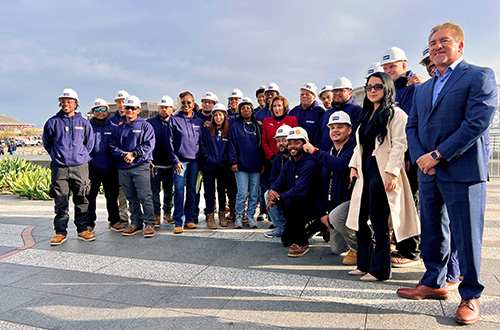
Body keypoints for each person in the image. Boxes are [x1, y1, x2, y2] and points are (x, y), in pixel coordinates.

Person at [400, 22, 497, 325]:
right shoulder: (423, 88)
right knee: (432, 230)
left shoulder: (480, 75)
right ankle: (433, 282)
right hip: (428, 172)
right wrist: (420, 158)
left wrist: (438, 155)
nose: (437, 46)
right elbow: (412, 126)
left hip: (462, 169)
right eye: (432, 43)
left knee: (466, 235)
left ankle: (470, 295)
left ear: (459, 46)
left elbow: (476, 123)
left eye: (444, 41)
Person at [346, 72, 419, 281]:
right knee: (360, 220)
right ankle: (364, 264)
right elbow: (357, 146)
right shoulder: (365, 115)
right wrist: (352, 167)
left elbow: (399, 145)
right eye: (369, 87)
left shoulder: (396, 114)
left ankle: (380, 270)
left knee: (378, 222)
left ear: (387, 88)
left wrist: (392, 173)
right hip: (364, 171)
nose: (372, 91)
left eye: (377, 87)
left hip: (382, 172)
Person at [381, 46, 422, 267]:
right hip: (393, 156)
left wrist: (406, 156)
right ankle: (400, 243)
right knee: (397, 202)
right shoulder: (392, 89)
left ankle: (412, 251)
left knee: (409, 202)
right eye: (385, 67)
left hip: (406, 156)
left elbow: (408, 125)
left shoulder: (412, 88)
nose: (389, 70)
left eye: (392, 66)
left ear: (403, 65)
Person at [43, 88, 95, 245]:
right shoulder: (52, 122)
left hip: (80, 167)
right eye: (63, 101)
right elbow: (48, 143)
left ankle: (82, 230)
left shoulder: (84, 123)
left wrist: (80, 156)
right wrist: (58, 156)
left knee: (82, 198)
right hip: (60, 167)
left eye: (69, 102)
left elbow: (90, 144)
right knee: (61, 200)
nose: (66, 104)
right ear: (60, 103)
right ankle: (60, 232)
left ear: (76, 104)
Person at [304, 111, 357, 265]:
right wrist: (322, 213)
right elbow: (319, 186)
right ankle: (349, 237)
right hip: (332, 209)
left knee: (337, 217)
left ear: (349, 130)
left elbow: (340, 165)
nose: (335, 130)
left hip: (351, 206)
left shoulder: (353, 150)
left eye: (340, 127)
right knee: (336, 249)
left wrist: (314, 151)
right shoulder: (328, 153)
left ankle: (360, 246)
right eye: (332, 127)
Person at [267, 127, 322, 257]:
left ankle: (303, 242)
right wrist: (272, 191)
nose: (292, 146)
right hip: (298, 204)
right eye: (290, 142)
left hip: (313, 206)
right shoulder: (290, 163)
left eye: (296, 143)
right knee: (286, 241)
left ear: (304, 144)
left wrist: (276, 198)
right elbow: (279, 182)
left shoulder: (310, 163)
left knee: (289, 203)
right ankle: (310, 228)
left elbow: (299, 191)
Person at [109, 95, 156, 238]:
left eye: (132, 108)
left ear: (138, 110)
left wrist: (134, 154)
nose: (129, 110)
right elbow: (112, 146)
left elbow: (148, 145)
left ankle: (149, 223)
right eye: (127, 108)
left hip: (140, 166)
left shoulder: (145, 126)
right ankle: (136, 223)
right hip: (123, 167)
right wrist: (124, 155)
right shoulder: (119, 128)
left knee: (145, 196)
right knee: (131, 198)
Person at [169, 91, 204, 234]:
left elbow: (202, 142)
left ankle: (189, 218)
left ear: (193, 104)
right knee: (178, 190)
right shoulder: (174, 120)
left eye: (189, 103)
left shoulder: (198, 121)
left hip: (195, 161)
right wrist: (175, 160)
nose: (186, 105)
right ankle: (178, 220)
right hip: (180, 162)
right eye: (183, 102)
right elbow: (169, 142)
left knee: (191, 190)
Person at [87, 98, 123, 233]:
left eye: (103, 110)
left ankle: (114, 221)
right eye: (97, 110)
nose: (100, 112)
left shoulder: (114, 128)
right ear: (92, 112)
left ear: (107, 111)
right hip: (92, 169)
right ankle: (89, 223)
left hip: (110, 169)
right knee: (90, 198)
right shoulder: (87, 127)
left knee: (112, 197)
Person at [229, 97, 263, 229]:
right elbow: (232, 145)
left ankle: (250, 215)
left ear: (252, 110)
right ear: (239, 111)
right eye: (243, 108)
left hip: (256, 165)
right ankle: (239, 215)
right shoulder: (235, 127)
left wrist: (263, 163)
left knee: (254, 193)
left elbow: (261, 147)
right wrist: (233, 161)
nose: (246, 111)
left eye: (248, 108)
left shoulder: (257, 126)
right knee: (242, 193)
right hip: (241, 165)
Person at [200, 103, 231, 228]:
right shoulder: (206, 129)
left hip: (222, 166)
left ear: (224, 116)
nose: (218, 117)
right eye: (216, 115)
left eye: (220, 115)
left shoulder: (228, 130)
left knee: (221, 192)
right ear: (212, 117)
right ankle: (210, 216)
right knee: (209, 191)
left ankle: (222, 214)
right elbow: (202, 145)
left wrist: (223, 160)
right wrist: (209, 158)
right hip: (209, 166)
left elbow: (230, 148)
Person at [147, 95, 175, 227]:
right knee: (155, 191)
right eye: (162, 107)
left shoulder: (175, 122)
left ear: (172, 109)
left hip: (170, 164)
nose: (164, 110)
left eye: (167, 107)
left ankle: (167, 213)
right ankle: (156, 215)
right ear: (158, 108)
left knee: (169, 190)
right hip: (155, 164)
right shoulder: (150, 123)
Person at [315, 77, 361, 151]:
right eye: (335, 91)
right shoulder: (327, 113)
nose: (337, 93)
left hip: (347, 158)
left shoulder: (356, 110)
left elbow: (357, 137)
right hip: (325, 158)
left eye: (341, 90)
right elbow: (319, 137)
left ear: (350, 93)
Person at [263, 125, 292, 238]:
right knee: (267, 194)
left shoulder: (298, 156)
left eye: (284, 140)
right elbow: (273, 180)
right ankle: (280, 227)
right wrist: (273, 192)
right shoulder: (277, 159)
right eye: (278, 141)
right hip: (282, 190)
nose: (281, 143)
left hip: (295, 191)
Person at [111, 90, 130, 225]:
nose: (121, 104)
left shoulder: (135, 118)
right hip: (118, 161)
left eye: (124, 101)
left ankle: (137, 216)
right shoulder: (112, 121)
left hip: (134, 160)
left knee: (135, 192)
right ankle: (123, 216)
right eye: (119, 102)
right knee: (121, 191)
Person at [262, 95, 298, 161]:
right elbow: (264, 142)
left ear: (284, 107)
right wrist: (271, 156)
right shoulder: (266, 122)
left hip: (289, 159)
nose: (277, 108)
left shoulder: (292, 120)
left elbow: (295, 139)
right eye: (274, 106)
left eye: (279, 105)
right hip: (271, 160)